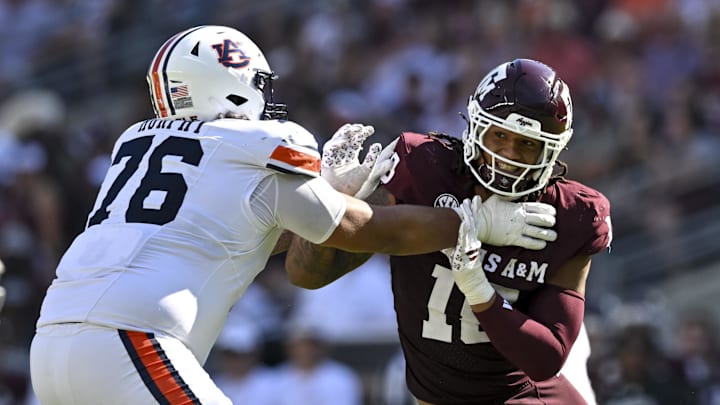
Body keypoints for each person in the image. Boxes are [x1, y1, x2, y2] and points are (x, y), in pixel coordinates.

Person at [28, 26, 559, 405]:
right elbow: (363, 230)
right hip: (130, 340)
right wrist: (474, 223)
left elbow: (237, 232)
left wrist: (327, 192)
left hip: (50, 345)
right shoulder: (255, 142)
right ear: (232, 85)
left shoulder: (135, 143)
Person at [286, 58, 612, 404]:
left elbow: (547, 357)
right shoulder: (425, 168)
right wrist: (331, 199)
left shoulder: (571, 214)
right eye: (499, 136)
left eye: (527, 144)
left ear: (552, 150)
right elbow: (307, 273)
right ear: (475, 126)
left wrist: (481, 294)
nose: (508, 156)